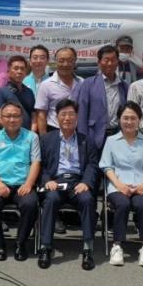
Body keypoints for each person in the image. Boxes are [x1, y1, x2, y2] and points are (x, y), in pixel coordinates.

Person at [37, 99, 99, 270]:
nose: (67, 118)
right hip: (56, 182)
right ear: (56, 117)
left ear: (77, 117)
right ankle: (45, 247)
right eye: (63, 114)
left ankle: (87, 248)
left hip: (77, 182)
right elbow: (40, 165)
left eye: (71, 114)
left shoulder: (87, 140)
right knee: (50, 200)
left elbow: (92, 165)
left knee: (87, 200)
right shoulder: (47, 139)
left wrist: (86, 182)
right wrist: (47, 180)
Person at [100, 101, 143, 267]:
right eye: (125, 118)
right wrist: (119, 185)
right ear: (119, 120)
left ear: (139, 119)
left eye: (133, 118)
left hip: (142, 186)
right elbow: (106, 166)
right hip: (118, 186)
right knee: (123, 204)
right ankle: (117, 246)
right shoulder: (111, 141)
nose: (129, 122)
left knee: (142, 204)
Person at [0, 101, 40, 262]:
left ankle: (20, 244)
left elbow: (36, 162)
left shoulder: (32, 137)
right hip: (0, 183)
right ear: (1, 118)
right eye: (8, 116)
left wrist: (28, 184)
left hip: (23, 184)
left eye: (15, 116)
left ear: (21, 118)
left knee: (30, 204)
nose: (12, 119)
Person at [71, 44, 128, 150]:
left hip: (118, 135)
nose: (110, 63)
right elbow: (82, 112)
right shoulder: (88, 83)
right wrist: (82, 138)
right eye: (106, 60)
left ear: (117, 62)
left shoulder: (124, 85)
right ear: (99, 62)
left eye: (113, 60)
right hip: (95, 136)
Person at [36, 47, 82, 135]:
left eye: (70, 60)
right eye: (61, 60)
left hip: (77, 131)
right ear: (56, 62)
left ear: (75, 61)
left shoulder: (82, 82)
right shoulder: (46, 85)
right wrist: (44, 138)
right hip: (54, 130)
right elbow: (41, 114)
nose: (65, 64)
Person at [0, 56, 36, 131]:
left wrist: (31, 134)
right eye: (16, 68)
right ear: (8, 72)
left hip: (28, 135)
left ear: (25, 72)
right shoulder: (1, 92)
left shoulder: (30, 92)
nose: (19, 71)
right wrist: (16, 135)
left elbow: (34, 118)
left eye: (22, 69)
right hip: (9, 136)